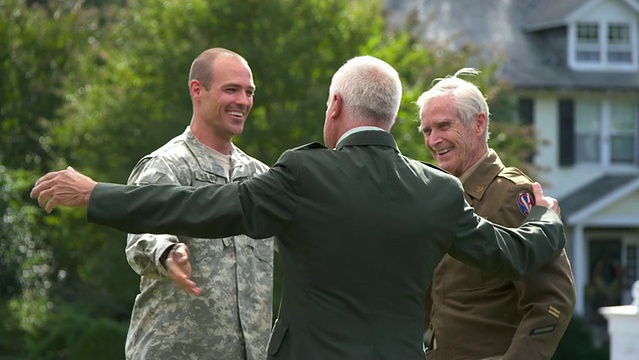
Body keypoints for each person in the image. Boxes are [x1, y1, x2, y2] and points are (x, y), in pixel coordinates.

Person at [31, 56, 566, 360]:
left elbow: (197, 207)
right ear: (393, 116)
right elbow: (512, 253)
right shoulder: (437, 192)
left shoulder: (303, 175)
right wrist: (548, 220)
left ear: (335, 106)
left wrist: (97, 193)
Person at [121, 48, 274, 360]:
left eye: (249, 92)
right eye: (231, 89)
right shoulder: (167, 165)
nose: (243, 101)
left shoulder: (260, 177)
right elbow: (140, 236)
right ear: (197, 90)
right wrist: (167, 253)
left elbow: (306, 238)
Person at [416, 68, 576, 360]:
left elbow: (552, 299)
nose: (433, 140)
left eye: (443, 126)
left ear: (478, 124)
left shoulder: (511, 195)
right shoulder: (438, 199)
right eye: (427, 130)